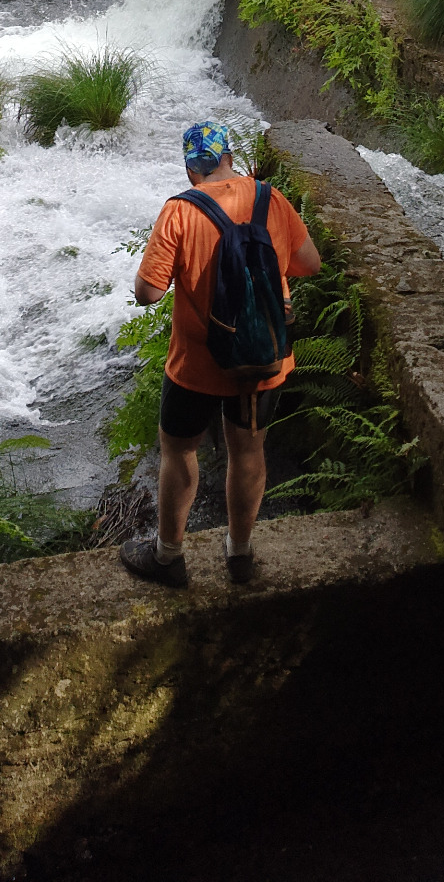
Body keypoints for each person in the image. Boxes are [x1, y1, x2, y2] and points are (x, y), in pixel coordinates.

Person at [120, 121, 322, 588]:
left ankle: (169, 556)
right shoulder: (270, 199)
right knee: (248, 450)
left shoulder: (179, 211)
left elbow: (149, 292)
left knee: (179, 450)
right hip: (263, 358)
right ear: (230, 158)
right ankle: (240, 554)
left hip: (197, 364)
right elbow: (309, 263)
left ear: (192, 168)